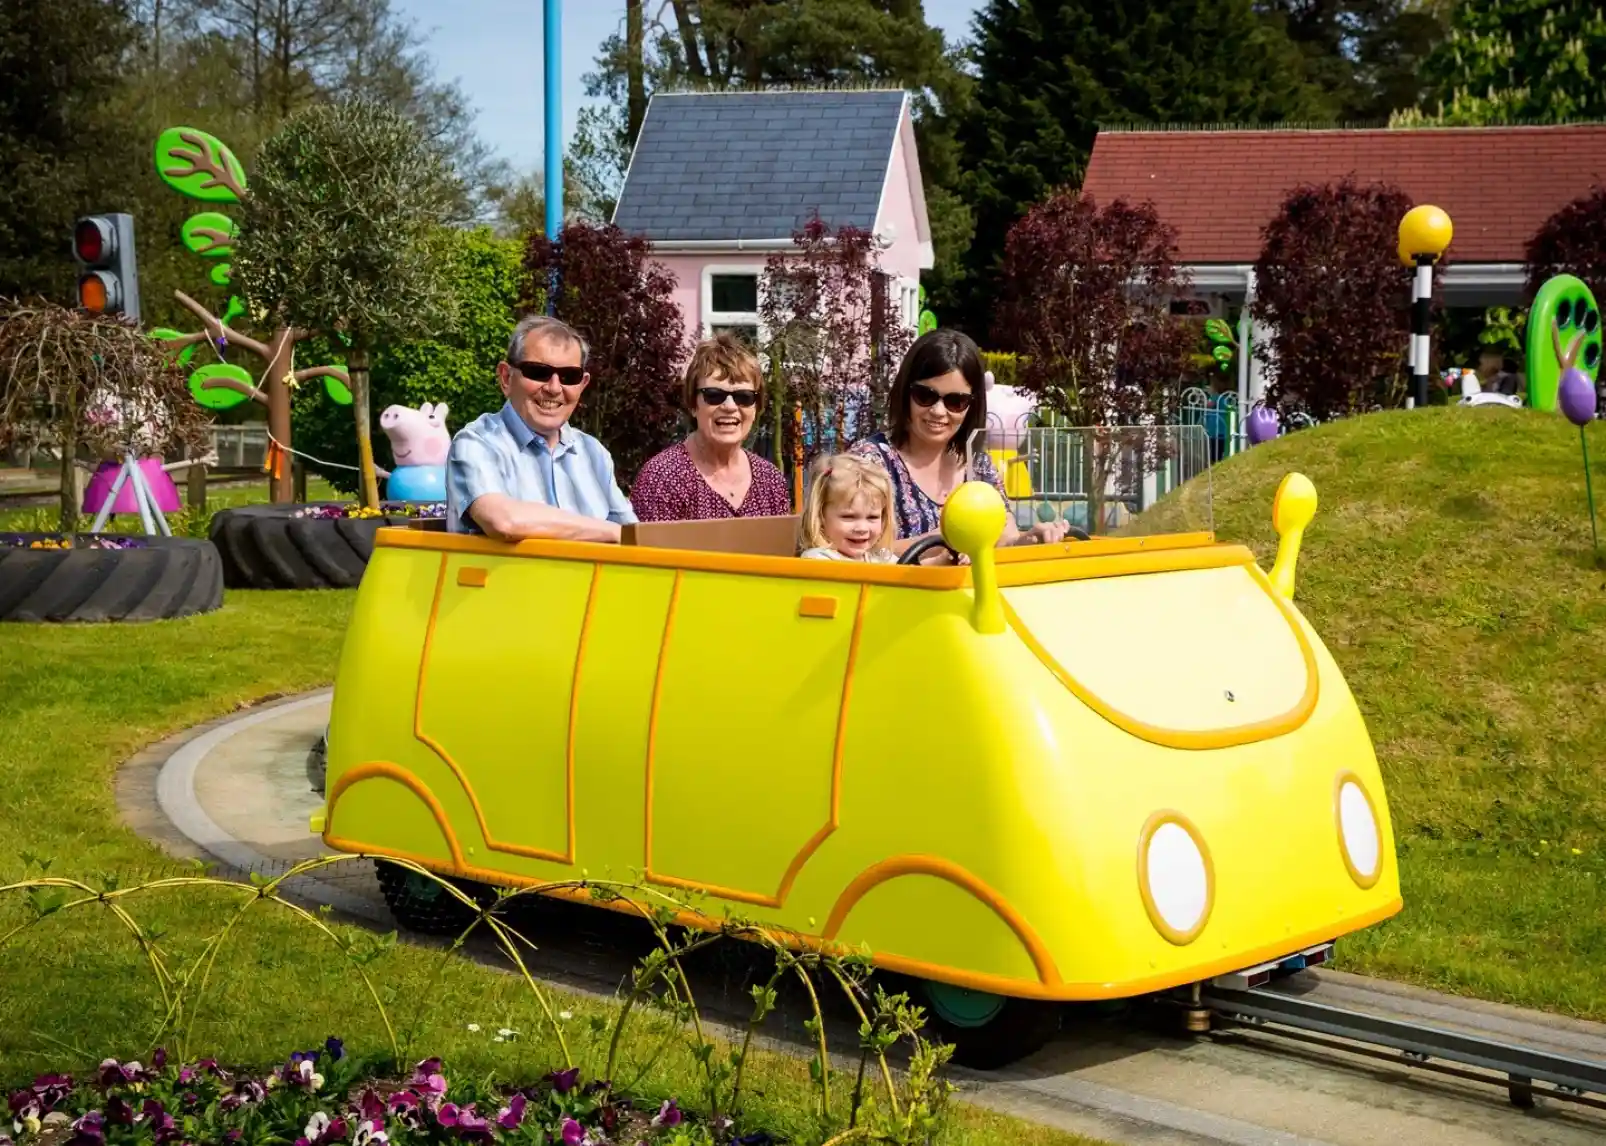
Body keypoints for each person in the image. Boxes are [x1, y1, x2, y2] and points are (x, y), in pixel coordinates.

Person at [848, 328, 1067, 556]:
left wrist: (1030, 539)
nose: (938, 411)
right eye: (925, 396)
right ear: (905, 392)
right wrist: (944, 540)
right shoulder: (869, 462)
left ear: (972, 405)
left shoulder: (978, 465)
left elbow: (1004, 537)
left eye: (956, 401)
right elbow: (854, 549)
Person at [445, 314, 637, 542]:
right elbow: (504, 521)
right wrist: (610, 531)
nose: (554, 388)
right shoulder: (476, 443)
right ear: (506, 378)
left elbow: (633, 536)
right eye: (538, 372)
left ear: (582, 384)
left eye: (568, 376)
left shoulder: (593, 453)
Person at [630, 333, 792, 521]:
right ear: (693, 404)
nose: (730, 407)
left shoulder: (771, 481)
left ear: (757, 407)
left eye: (743, 397)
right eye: (714, 395)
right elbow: (649, 549)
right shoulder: (661, 478)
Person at [798, 454, 897, 563]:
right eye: (849, 516)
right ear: (820, 516)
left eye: (872, 517)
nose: (862, 528)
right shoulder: (817, 559)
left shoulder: (881, 557)